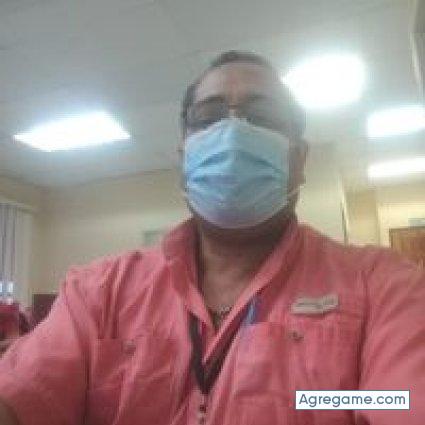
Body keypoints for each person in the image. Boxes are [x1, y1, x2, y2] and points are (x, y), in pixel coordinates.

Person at [0, 50, 424, 425]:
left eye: (262, 117)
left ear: (298, 160)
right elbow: (18, 399)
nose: (233, 133)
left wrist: (319, 398)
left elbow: (402, 401)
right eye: (208, 119)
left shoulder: (383, 285)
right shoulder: (99, 292)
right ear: (184, 158)